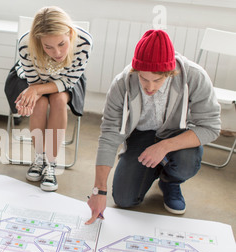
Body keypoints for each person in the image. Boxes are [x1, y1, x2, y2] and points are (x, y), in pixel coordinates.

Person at [86, 29, 221, 225]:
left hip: (177, 135)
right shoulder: (121, 83)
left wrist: (164, 146)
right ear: (136, 71)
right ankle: (154, 168)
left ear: (171, 71)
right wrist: (99, 190)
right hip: (141, 136)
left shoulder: (195, 76)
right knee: (124, 199)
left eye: (157, 80)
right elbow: (109, 135)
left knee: (187, 161)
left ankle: (169, 181)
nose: (149, 87)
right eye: (143, 79)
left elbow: (211, 128)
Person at [5, 6, 92, 192]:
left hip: (67, 81)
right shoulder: (25, 45)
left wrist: (38, 90)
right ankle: (39, 158)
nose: (57, 53)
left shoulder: (84, 42)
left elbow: (69, 81)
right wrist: (34, 94)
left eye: (62, 44)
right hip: (31, 79)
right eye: (48, 47)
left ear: (69, 33)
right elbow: (34, 84)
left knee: (59, 99)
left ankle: (51, 163)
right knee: (41, 102)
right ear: (38, 42)